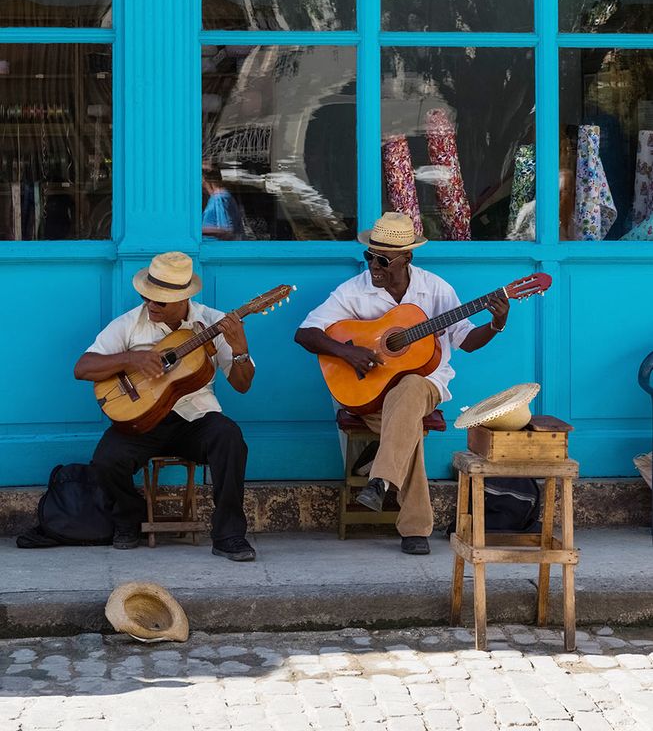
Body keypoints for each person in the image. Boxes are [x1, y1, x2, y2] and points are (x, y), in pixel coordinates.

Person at [295, 212, 510, 556]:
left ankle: (380, 478)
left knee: (411, 384)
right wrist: (347, 354)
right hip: (370, 396)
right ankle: (410, 522)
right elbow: (305, 333)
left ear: (407, 257)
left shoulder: (436, 289)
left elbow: (467, 340)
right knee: (406, 428)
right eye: (369, 256)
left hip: (428, 386)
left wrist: (496, 324)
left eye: (382, 259)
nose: (373, 266)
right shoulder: (355, 290)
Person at [74, 251, 256, 560]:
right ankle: (129, 519)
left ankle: (229, 535)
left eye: (160, 301)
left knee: (230, 439)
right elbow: (82, 367)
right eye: (147, 296)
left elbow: (242, 385)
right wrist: (132, 358)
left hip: (196, 418)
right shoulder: (131, 323)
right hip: (144, 419)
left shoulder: (213, 322)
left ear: (182, 298)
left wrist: (239, 350)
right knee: (106, 460)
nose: (151, 305)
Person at [202, 163, 244, 239]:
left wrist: (196, 230)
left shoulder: (219, 198)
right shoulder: (218, 197)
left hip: (216, 247)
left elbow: (226, 230)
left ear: (204, 179)